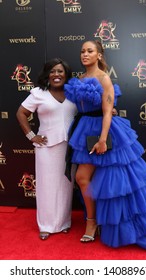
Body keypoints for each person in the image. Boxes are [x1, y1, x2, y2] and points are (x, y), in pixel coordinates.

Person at [64, 40, 146, 252]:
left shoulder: (104, 78)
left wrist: (103, 139)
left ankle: (108, 224)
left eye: (90, 51)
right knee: (85, 178)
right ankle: (93, 221)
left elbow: (107, 112)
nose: (85, 54)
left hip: (105, 131)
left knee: (112, 182)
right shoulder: (80, 79)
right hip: (84, 130)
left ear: (99, 55)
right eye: (82, 51)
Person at [16, 58, 77, 240]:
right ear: (47, 75)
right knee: (46, 187)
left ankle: (63, 223)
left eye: (60, 71)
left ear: (66, 74)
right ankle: (46, 225)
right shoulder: (38, 93)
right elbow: (21, 113)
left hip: (69, 147)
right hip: (46, 147)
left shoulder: (73, 93)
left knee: (66, 186)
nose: (56, 75)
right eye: (52, 71)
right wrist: (31, 136)